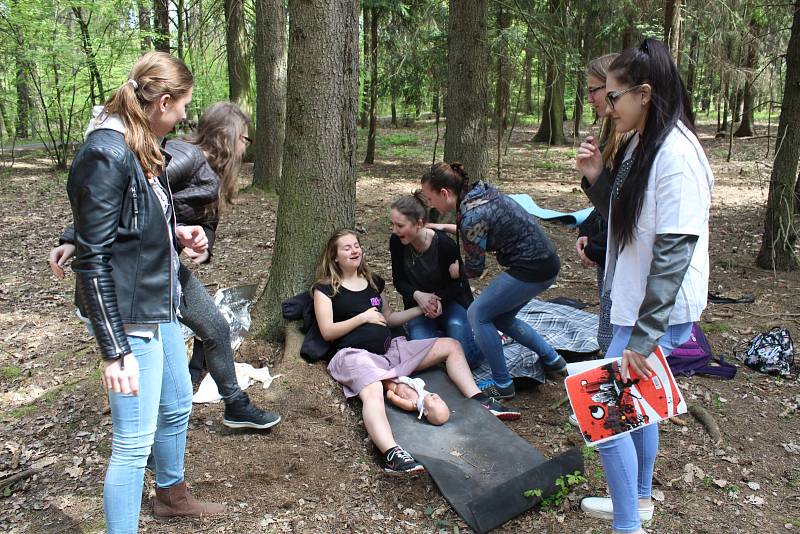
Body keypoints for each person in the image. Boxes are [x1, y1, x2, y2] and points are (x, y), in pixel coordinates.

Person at [64, 52, 224, 533]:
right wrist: (114, 352)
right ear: (163, 103)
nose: (183, 118)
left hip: (161, 303)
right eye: (182, 109)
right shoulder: (107, 151)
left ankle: (171, 495)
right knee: (133, 443)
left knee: (176, 403)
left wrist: (179, 234)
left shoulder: (139, 142)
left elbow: (129, 219)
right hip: (130, 318)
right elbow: (93, 258)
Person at [49, 102, 280, 430]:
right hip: (138, 275)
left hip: (165, 268)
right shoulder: (185, 157)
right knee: (210, 329)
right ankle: (194, 409)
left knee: (214, 328)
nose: (247, 146)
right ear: (230, 136)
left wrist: (203, 245)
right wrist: (72, 237)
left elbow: (205, 224)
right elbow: (120, 190)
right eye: (246, 138)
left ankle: (224, 402)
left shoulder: (213, 172)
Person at [575, 38, 712, 534]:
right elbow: (625, 222)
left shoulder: (677, 155)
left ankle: (628, 525)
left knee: (605, 416)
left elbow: (674, 254)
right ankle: (638, 499)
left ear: (645, 93)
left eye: (613, 97)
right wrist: (595, 180)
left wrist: (643, 338)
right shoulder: (639, 142)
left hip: (657, 315)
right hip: (634, 306)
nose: (606, 108)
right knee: (637, 408)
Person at [312, 230, 519, 475]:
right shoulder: (325, 289)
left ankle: (480, 400)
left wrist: (423, 308)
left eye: (357, 245)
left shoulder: (372, 281)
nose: (355, 250)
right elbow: (327, 331)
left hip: (391, 351)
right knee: (373, 389)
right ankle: (392, 454)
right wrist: (363, 318)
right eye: (347, 248)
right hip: (354, 355)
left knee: (451, 346)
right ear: (335, 256)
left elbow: (390, 318)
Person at [419, 163, 567, 400]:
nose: (429, 204)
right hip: (546, 262)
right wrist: (443, 226)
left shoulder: (471, 216)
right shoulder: (480, 193)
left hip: (531, 268)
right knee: (501, 318)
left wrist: (458, 271)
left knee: (478, 314)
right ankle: (554, 360)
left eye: (429, 198)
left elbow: (475, 268)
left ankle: (502, 384)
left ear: (444, 193)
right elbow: (481, 226)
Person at [389, 193, 481, 367]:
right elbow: (399, 280)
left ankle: (486, 339)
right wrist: (418, 296)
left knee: (469, 358)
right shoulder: (396, 242)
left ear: (420, 223)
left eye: (400, 225)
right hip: (418, 306)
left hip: (450, 302)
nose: (394, 230)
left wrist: (436, 299)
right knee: (421, 355)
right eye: (392, 224)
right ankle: (445, 342)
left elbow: (459, 284)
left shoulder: (445, 245)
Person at [576, 53, 622, 354]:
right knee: (609, 332)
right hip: (610, 255)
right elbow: (608, 204)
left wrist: (596, 246)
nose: (590, 98)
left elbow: (629, 214)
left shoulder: (635, 141)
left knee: (616, 337)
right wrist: (588, 233)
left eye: (595, 89)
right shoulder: (614, 135)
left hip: (622, 263)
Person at [383, 376, 450, 425]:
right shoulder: (425, 395)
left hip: (395, 388)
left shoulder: (412, 405)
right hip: (403, 380)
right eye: (441, 400)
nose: (436, 398)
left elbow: (399, 401)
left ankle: (381, 378)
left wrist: (392, 397)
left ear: (426, 411)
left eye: (434, 402)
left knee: (385, 380)